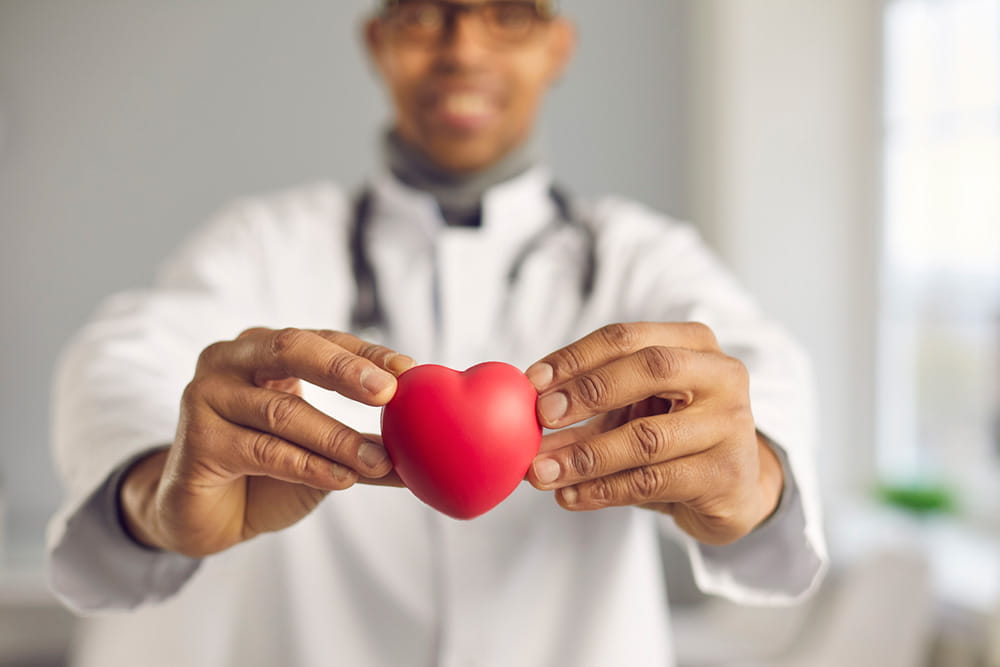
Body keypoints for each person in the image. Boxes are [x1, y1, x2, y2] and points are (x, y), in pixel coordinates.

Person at [47, 1, 827, 665]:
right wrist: (158, 492)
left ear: (557, 47)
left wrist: (750, 473)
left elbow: (762, 370)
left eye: (509, 14)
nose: (463, 49)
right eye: (426, 15)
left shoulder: (642, 256)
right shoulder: (263, 245)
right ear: (377, 42)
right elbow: (118, 359)